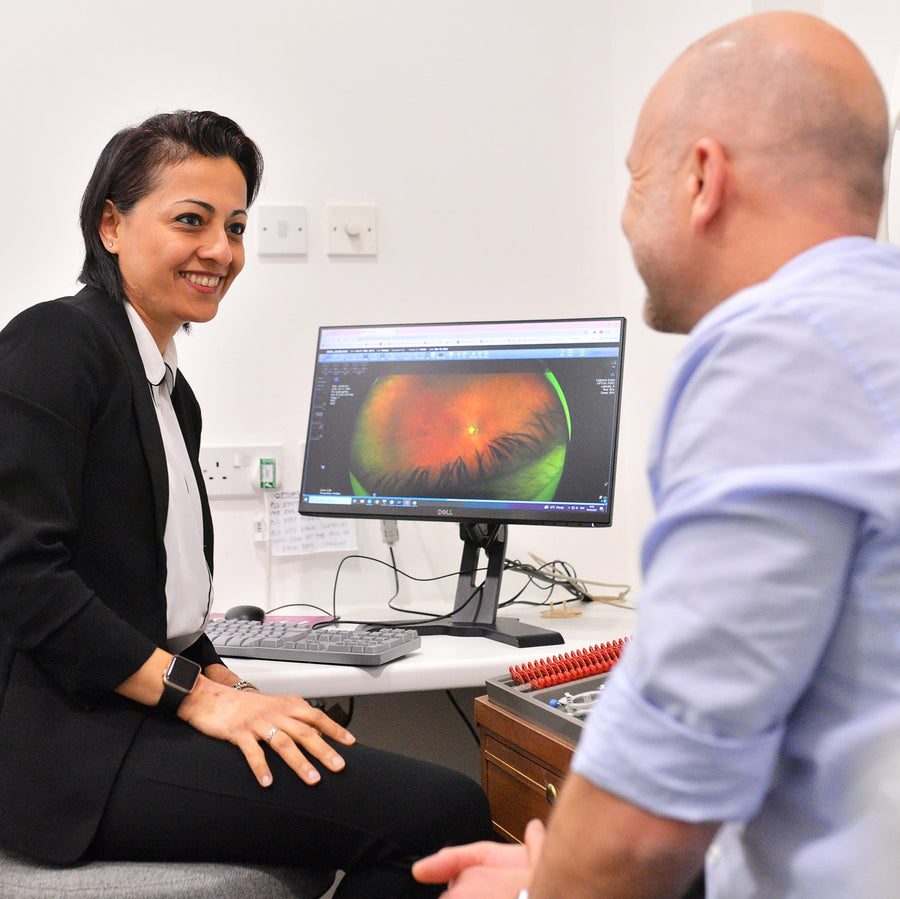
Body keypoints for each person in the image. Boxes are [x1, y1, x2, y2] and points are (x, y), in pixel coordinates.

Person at [412, 11, 900, 898]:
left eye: (636, 180)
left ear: (702, 177)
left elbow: (646, 826)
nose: (626, 217)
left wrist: (533, 891)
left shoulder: (781, 346)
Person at [0, 109, 493, 898]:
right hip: (71, 755)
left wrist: (231, 685)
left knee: (389, 777)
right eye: (190, 220)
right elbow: (23, 577)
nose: (221, 251)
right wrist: (198, 699)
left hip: (131, 722)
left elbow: (154, 607)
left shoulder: (168, 391)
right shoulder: (56, 342)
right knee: (443, 812)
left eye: (235, 226)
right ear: (112, 224)